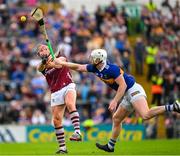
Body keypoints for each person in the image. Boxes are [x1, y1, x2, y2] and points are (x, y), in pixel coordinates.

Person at [50, 48, 180, 152]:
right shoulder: (95, 67)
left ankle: (173, 107)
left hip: (132, 90)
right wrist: (62, 63)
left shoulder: (112, 69)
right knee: (117, 119)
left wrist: (115, 101)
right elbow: (78, 67)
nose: (91, 59)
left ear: (100, 59)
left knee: (145, 115)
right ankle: (111, 146)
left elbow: (123, 85)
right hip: (125, 94)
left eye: (94, 57)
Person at [37, 44, 82, 154]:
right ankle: (63, 148)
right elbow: (40, 68)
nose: (43, 51)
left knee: (70, 104)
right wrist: (46, 62)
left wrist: (53, 61)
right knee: (56, 120)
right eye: (41, 50)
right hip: (55, 91)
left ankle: (77, 132)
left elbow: (59, 65)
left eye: (45, 48)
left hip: (67, 85)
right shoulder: (41, 65)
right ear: (39, 54)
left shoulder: (61, 57)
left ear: (49, 50)